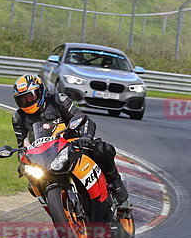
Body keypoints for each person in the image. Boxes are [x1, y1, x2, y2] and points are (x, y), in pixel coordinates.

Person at [11, 74, 131, 211]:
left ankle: (117, 185)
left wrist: (85, 137)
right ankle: (57, 208)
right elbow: (22, 146)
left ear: (41, 91)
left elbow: (82, 118)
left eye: (30, 96)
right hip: (45, 155)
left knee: (101, 149)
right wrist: (22, 162)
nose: (27, 101)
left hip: (71, 143)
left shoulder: (58, 100)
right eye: (22, 99)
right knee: (32, 183)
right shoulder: (18, 117)